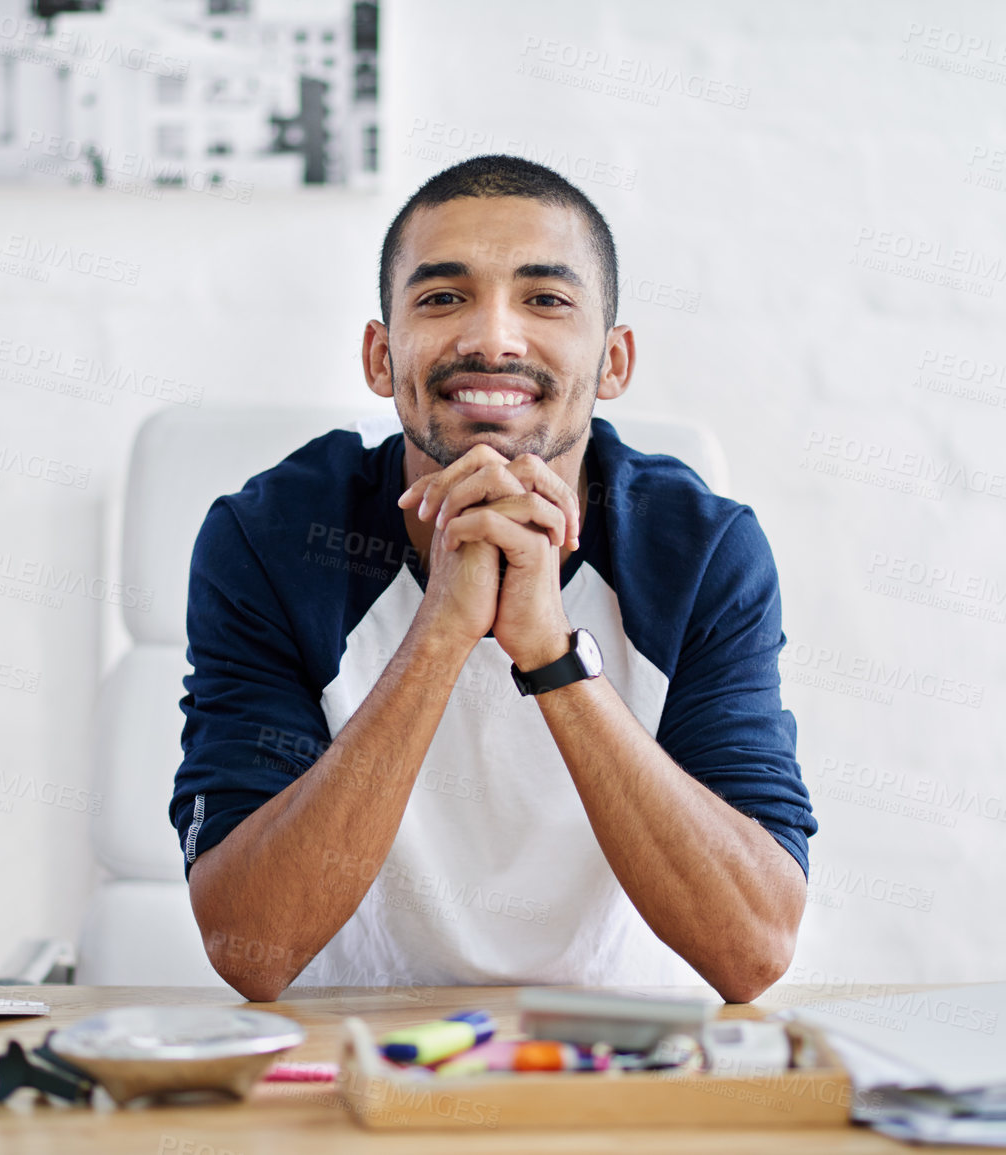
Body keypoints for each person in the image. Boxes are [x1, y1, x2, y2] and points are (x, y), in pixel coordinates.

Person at [170, 155, 815, 1002]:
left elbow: (751, 948)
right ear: (379, 354)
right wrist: (440, 632)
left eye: (545, 299)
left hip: (622, 1076)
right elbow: (250, 945)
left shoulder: (700, 551)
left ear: (613, 362)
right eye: (441, 298)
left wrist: (549, 654)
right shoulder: (267, 540)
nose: (492, 339)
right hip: (352, 1074)